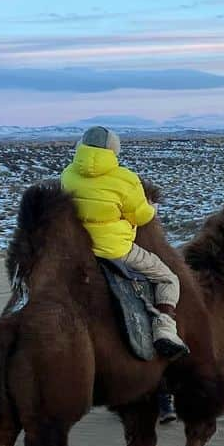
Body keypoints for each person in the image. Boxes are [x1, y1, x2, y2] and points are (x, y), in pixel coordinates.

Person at [61, 126, 189, 360]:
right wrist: (151, 208)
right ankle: (165, 330)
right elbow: (141, 217)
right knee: (167, 278)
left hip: (77, 251)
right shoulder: (125, 179)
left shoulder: (68, 174)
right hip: (116, 251)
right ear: (113, 149)